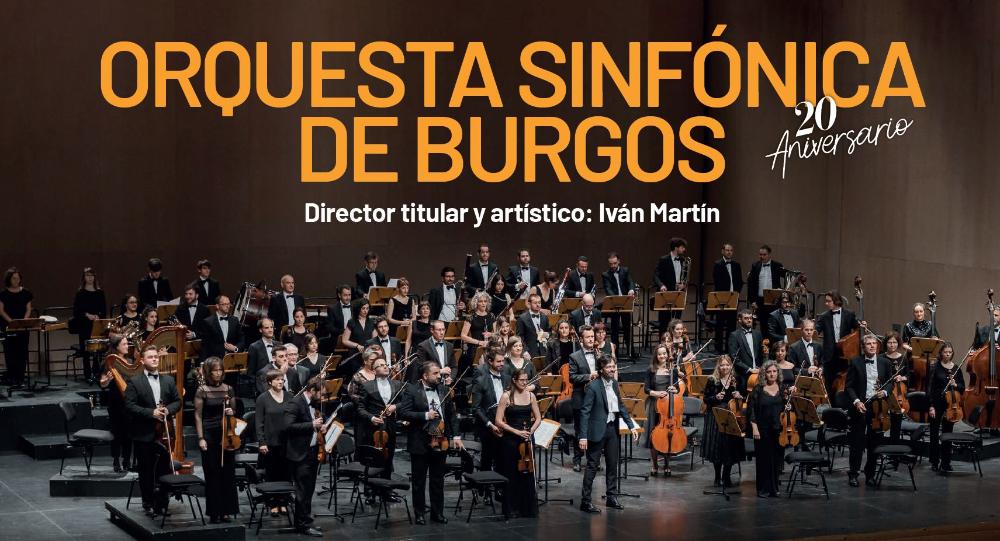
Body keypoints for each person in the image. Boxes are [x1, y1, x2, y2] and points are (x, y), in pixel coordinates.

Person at [398, 362, 464, 525]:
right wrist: (425, 415)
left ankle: (437, 513)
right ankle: (419, 513)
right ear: (425, 376)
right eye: (435, 374)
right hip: (420, 440)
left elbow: (451, 415)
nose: (439, 376)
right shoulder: (412, 390)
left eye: (439, 373)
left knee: (437, 480)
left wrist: (456, 436)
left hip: (441, 439)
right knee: (419, 481)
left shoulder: (444, 390)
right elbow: (404, 412)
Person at [124, 345, 181, 516]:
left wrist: (167, 410)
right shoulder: (134, 381)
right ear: (142, 360)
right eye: (150, 357)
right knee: (146, 470)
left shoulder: (168, 380)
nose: (155, 359)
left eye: (156, 356)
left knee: (164, 469)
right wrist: (151, 413)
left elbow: (177, 402)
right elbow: (129, 406)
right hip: (144, 433)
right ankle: (148, 501)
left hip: (164, 433)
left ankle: (162, 503)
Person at [578, 357, 639, 513]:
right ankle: (585, 501)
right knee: (592, 466)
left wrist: (631, 426)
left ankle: (611, 497)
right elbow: (584, 412)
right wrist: (583, 436)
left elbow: (621, 406)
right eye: (609, 367)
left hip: (612, 429)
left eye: (613, 366)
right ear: (601, 369)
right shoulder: (593, 387)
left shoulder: (615, 384)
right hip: (597, 430)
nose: (612, 369)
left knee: (612, 464)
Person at [193, 357, 239, 523]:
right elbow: (198, 416)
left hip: (226, 434)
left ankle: (226, 510)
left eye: (220, 370)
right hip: (209, 434)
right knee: (212, 473)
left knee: (228, 473)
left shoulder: (229, 389)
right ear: (208, 372)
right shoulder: (202, 390)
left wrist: (231, 411)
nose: (218, 373)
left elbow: (234, 411)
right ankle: (214, 512)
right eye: (215, 370)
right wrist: (201, 438)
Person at [844, 334, 892, 487]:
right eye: (868, 344)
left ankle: (870, 474)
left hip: (878, 407)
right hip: (861, 406)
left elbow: (890, 383)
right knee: (857, 442)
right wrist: (856, 401)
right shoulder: (855, 362)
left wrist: (885, 392)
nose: (872, 346)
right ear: (863, 347)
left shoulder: (885, 362)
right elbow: (849, 386)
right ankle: (853, 474)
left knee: (874, 442)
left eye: (874, 343)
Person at [494, 368, 541, 518]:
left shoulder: (531, 396)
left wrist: (530, 431)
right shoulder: (506, 396)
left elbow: (538, 418)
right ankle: (512, 508)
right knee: (511, 473)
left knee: (527, 473)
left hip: (526, 439)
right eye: (522, 380)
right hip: (511, 440)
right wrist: (516, 432)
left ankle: (526, 508)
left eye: (526, 380)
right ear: (514, 380)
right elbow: (498, 421)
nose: (525, 382)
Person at [283, 377, 325, 537]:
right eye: (321, 394)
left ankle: (306, 520)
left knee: (309, 490)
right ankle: (302, 525)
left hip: (312, 452)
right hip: (299, 453)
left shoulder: (313, 403)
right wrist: (312, 425)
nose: (322, 398)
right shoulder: (296, 403)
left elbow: (316, 420)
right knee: (302, 491)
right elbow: (287, 426)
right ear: (312, 391)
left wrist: (322, 426)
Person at [747, 361, 791, 498]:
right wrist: (755, 428)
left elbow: (786, 408)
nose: (772, 374)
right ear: (764, 374)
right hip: (762, 429)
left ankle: (774, 488)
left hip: (778, 429)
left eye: (774, 371)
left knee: (776, 459)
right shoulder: (758, 389)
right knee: (763, 459)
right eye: (769, 372)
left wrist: (788, 407)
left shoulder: (782, 388)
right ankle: (763, 489)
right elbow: (751, 411)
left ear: (778, 373)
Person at [700, 355, 744, 486]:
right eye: (722, 365)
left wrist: (739, 395)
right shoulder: (712, 380)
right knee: (717, 448)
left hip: (731, 416)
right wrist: (716, 397)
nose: (725, 367)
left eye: (727, 365)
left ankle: (726, 476)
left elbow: (743, 398)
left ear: (731, 366)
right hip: (715, 417)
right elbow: (706, 399)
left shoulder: (736, 380)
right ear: (718, 367)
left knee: (730, 447)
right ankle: (717, 477)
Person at [357, 356, 404, 477]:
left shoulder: (397, 384)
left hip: (390, 427)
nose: (385, 367)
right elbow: (360, 408)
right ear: (374, 371)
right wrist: (371, 418)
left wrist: (395, 407)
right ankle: (370, 485)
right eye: (381, 365)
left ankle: (386, 484)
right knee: (373, 460)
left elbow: (406, 402)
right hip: (373, 429)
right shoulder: (367, 386)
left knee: (389, 457)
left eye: (386, 364)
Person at [642, 343, 684, 476]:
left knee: (667, 434)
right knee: (653, 436)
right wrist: (656, 393)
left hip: (667, 406)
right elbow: (646, 389)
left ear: (667, 354)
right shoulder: (651, 370)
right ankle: (655, 464)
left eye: (664, 353)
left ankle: (667, 464)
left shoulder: (673, 370)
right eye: (659, 354)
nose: (662, 356)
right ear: (656, 355)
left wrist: (674, 389)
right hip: (654, 405)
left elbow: (678, 388)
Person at [927, 342, 964, 473]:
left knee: (948, 434)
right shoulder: (935, 367)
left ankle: (946, 462)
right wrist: (931, 406)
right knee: (934, 433)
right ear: (941, 353)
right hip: (937, 404)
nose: (948, 354)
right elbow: (930, 388)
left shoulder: (956, 369)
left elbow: (962, 388)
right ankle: (934, 461)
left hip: (951, 406)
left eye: (950, 352)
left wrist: (955, 384)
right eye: (945, 352)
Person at [817, 290, 861, 398]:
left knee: (845, 382)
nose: (826, 303)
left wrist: (861, 325)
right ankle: (830, 404)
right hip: (829, 356)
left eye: (828, 301)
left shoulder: (849, 314)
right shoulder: (823, 316)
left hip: (845, 354)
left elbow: (857, 330)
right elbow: (816, 331)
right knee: (829, 383)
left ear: (836, 301)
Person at [472, 351, 510, 472]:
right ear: (490, 361)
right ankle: (486, 483)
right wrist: (490, 424)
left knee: (503, 459)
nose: (502, 364)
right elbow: (476, 408)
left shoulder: (507, 378)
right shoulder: (480, 381)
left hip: (505, 422)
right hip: (487, 424)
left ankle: (502, 482)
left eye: (503, 361)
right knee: (487, 459)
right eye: (498, 361)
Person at [568, 325, 600, 472]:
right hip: (581, 397)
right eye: (588, 337)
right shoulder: (574, 356)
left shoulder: (599, 354)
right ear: (581, 339)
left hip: (596, 398)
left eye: (592, 336)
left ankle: (593, 460)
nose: (591, 339)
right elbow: (572, 377)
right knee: (580, 430)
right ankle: (577, 459)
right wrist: (589, 376)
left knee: (594, 429)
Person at [99, 336, 133, 472]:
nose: (127, 346)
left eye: (127, 343)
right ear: (116, 346)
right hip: (115, 402)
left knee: (128, 433)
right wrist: (106, 380)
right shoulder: (108, 362)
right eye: (124, 344)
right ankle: (116, 460)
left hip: (128, 402)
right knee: (117, 433)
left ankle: (127, 460)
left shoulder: (130, 362)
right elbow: (102, 384)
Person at [71, 267, 107, 384]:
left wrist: (98, 316)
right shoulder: (80, 293)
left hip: (97, 325)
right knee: (86, 351)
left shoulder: (100, 293)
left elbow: (103, 310)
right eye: (87, 275)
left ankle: (96, 372)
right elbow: (76, 312)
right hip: (84, 325)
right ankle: (87, 374)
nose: (90, 278)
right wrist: (87, 315)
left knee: (98, 349)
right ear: (84, 278)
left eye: (92, 276)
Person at [254, 369, 289, 483]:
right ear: (270, 382)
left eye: (282, 379)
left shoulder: (289, 396)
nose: (281, 382)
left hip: (286, 443)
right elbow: (259, 422)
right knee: (272, 475)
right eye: (277, 379)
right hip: (270, 443)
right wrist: (262, 442)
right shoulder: (262, 398)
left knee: (286, 475)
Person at [0, 267, 33, 387]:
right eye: (14, 278)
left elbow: (28, 309)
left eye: (18, 278)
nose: (16, 280)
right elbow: (1, 311)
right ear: (9, 279)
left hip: (22, 327)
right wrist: (11, 322)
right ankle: (12, 377)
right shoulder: (3, 294)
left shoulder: (26, 293)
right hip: (8, 325)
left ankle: (20, 378)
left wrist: (23, 321)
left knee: (22, 352)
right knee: (10, 352)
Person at [601, 252, 636, 357]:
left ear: (619, 261)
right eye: (611, 264)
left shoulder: (625, 270)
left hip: (625, 303)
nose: (613, 266)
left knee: (628, 328)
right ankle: (614, 353)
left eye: (615, 263)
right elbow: (608, 289)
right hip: (614, 304)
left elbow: (630, 282)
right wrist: (616, 299)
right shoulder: (606, 274)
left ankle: (631, 352)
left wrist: (631, 290)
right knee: (614, 330)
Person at [653, 237, 689, 335]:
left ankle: (676, 342)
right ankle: (663, 342)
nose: (684, 249)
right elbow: (656, 276)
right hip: (666, 294)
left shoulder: (683, 260)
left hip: (679, 294)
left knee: (677, 322)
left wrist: (683, 285)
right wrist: (661, 285)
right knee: (664, 322)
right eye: (682, 247)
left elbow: (685, 277)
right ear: (676, 248)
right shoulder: (664, 259)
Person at [712, 243, 743, 354]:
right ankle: (718, 348)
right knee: (720, 323)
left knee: (731, 325)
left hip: (733, 298)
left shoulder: (736, 265)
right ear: (723, 251)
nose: (729, 252)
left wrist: (736, 294)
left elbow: (740, 281)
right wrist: (724, 295)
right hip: (721, 298)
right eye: (727, 250)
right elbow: (717, 281)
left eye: (731, 250)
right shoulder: (718, 264)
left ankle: (730, 348)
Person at [746, 245, 784, 325]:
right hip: (760, 300)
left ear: (769, 254)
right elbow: (751, 285)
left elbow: (787, 276)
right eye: (760, 254)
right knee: (763, 324)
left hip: (773, 300)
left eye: (764, 255)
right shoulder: (755, 265)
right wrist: (752, 301)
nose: (762, 257)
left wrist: (782, 292)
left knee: (774, 323)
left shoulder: (777, 265)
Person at [883, 332, 910, 441]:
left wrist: (902, 378)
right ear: (886, 343)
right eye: (889, 342)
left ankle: (894, 444)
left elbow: (909, 375)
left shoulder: (903, 358)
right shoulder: (881, 357)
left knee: (896, 423)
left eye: (894, 342)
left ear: (898, 343)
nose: (892, 345)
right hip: (884, 391)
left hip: (899, 393)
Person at [197, 295, 243, 361]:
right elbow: (205, 345)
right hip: (215, 360)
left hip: (232, 358)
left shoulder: (235, 320)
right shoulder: (208, 322)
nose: (228, 306)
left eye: (229, 304)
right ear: (217, 306)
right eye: (224, 304)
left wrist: (235, 348)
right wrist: (203, 363)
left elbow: (241, 339)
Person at [460, 292, 495, 374]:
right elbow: (463, 336)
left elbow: (497, 333)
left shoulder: (491, 316)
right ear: (476, 303)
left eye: (485, 301)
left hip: (489, 346)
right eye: (480, 301)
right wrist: (479, 342)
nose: (483, 303)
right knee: (481, 370)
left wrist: (491, 334)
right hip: (475, 348)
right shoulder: (471, 317)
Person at [728, 309, 764, 386]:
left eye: (750, 318)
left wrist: (761, 367)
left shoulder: (758, 334)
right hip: (743, 375)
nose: (749, 320)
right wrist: (749, 369)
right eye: (746, 318)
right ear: (740, 320)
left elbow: (761, 354)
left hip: (758, 373)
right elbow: (734, 357)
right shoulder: (734, 335)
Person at [516, 293, 550, 357]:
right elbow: (520, 337)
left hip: (544, 351)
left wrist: (545, 334)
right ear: (529, 304)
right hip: (529, 352)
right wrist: (524, 351)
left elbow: (549, 331)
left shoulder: (544, 317)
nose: (538, 305)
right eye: (535, 303)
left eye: (539, 303)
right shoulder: (522, 318)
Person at [325, 284, 354, 352]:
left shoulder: (355, 307)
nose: (348, 298)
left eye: (349, 295)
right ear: (339, 295)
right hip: (338, 340)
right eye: (345, 295)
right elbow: (330, 327)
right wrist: (345, 332)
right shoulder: (332, 309)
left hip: (354, 339)